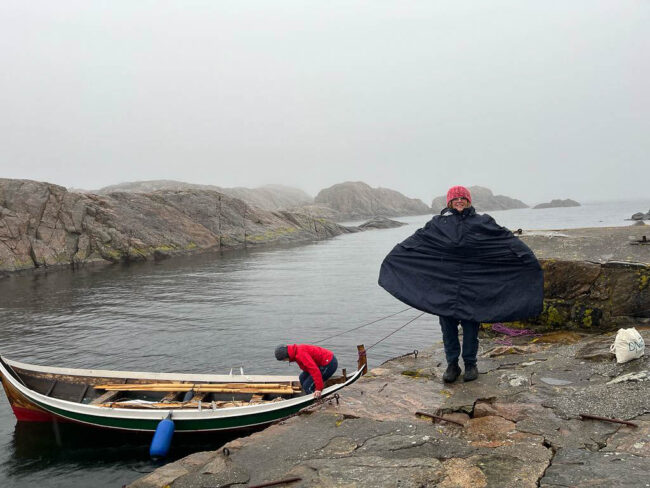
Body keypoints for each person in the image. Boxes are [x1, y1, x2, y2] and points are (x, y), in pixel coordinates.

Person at [378, 185, 543, 384]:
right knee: (447, 327)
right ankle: (452, 365)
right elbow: (417, 241)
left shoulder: (483, 222)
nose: (459, 202)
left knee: (471, 326)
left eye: (462, 199)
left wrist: (527, 259)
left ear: (468, 201)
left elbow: (507, 240)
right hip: (445, 285)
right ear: (449, 202)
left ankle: (471, 364)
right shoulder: (438, 224)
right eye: (455, 199)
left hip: (474, 285)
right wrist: (396, 256)